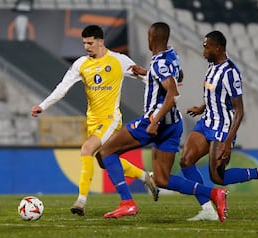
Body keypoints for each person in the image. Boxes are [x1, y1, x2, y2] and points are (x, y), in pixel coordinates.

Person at [96, 22, 228, 222]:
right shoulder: (172, 56)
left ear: (152, 38)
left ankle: (127, 202)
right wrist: (147, 75)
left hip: (155, 122)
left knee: (106, 153)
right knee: (162, 179)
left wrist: (154, 121)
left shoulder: (159, 62)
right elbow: (178, 77)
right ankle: (214, 194)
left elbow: (173, 93)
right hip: (174, 124)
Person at [31, 25, 159, 216]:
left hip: (111, 119)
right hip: (93, 121)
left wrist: (166, 83)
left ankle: (81, 201)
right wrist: (43, 105)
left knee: (86, 149)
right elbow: (62, 87)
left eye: (90, 43)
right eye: (84, 43)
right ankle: (145, 176)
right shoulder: (81, 64)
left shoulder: (119, 60)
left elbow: (146, 79)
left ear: (101, 41)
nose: (87, 47)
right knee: (103, 160)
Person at [179, 30, 258, 221]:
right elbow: (216, 94)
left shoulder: (230, 73)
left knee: (218, 177)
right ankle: (208, 210)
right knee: (185, 161)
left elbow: (239, 110)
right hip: (206, 121)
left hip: (222, 128)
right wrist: (203, 107)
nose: (204, 51)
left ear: (218, 48)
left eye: (207, 47)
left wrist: (227, 141)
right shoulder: (211, 66)